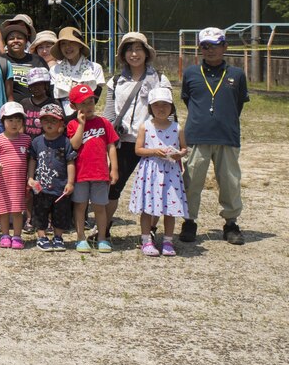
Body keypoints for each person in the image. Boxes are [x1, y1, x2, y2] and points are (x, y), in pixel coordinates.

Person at [179, 27, 249, 246]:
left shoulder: (236, 74)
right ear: (200, 48)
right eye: (205, 46)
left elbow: (238, 104)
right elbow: (187, 99)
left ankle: (231, 223)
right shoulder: (191, 73)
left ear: (225, 46)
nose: (210, 50)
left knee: (230, 182)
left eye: (215, 45)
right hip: (197, 136)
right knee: (191, 181)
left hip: (226, 136)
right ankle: (189, 221)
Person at [102, 31, 170, 240]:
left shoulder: (159, 79)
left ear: (146, 53)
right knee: (113, 185)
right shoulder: (116, 81)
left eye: (138, 49)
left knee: (155, 188)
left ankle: (149, 230)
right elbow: (110, 112)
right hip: (124, 142)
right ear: (123, 54)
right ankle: (104, 228)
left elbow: (167, 110)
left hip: (152, 142)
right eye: (129, 50)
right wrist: (107, 137)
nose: (134, 54)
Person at [130, 87, 189, 257]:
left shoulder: (177, 127)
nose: (161, 109)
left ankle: (168, 241)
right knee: (148, 208)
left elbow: (184, 148)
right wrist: (154, 151)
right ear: (150, 108)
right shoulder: (145, 127)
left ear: (172, 107)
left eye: (165, 105)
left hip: (171, 171)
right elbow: (138, 150)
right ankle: (146, 239)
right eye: (156, 105)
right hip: (151, 172)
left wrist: (179, 154)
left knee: (171, 207)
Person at [67, 83, 119, 253]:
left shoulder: (104, 122)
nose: (88, 107)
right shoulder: (73, 125)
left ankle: (102, 238)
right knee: (80, 206)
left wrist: (114, 169)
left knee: (100, 206)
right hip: (80, 174)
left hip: (100, 173)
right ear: (73, 106)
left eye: (90, 102)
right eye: (82, 103)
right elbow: (74, 145)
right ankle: (80, 237)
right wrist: (81, 125)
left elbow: (111, 146)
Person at [27, 103, 75, 252]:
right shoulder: (36, 141)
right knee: (40, 213)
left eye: (53, 120)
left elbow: (70, 162)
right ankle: (41, 237)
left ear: (61, 123)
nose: (49, 124)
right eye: (45, 120)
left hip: (60, 186)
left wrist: (71, 182)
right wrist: (30, 177)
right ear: (40, 122)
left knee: (60, 213)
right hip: (40, 187)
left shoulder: (65, 142)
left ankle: (58, 237)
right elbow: (33, 160)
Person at [0, 102, 32, 250]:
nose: (14, 123)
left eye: (18, 120)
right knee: (4, 210)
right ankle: (5, 235)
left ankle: (17, 236)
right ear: (3, 121)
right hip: (3, 182)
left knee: (17, 211)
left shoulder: (26, 139)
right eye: (10, 120)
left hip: (18, 182)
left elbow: (30, 159)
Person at [50, 26, 105, 117]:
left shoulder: (95, 68)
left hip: (87, 115)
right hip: (63, 117)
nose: (68, 47)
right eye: (63, 43)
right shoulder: (55, 70)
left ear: (80, 44)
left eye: (72, 42)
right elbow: (55, 97)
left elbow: (96, 96)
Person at [1, 23, 47, 102]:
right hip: (8, 108)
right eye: (11, 38)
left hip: (35, 108)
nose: (15, 41)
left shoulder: (37, 60)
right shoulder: (0, 60)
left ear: (26, 41)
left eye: (19, 38)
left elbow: (47, 86)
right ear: (6, 43)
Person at [19, 67, 57, 141]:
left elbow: (60, 126)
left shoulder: (53, 103)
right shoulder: (24, 103)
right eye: (32, 85)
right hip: (26, 143)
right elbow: (20, 124)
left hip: (46, 144)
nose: (36, 88)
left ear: (46, 85)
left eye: (39, 84)